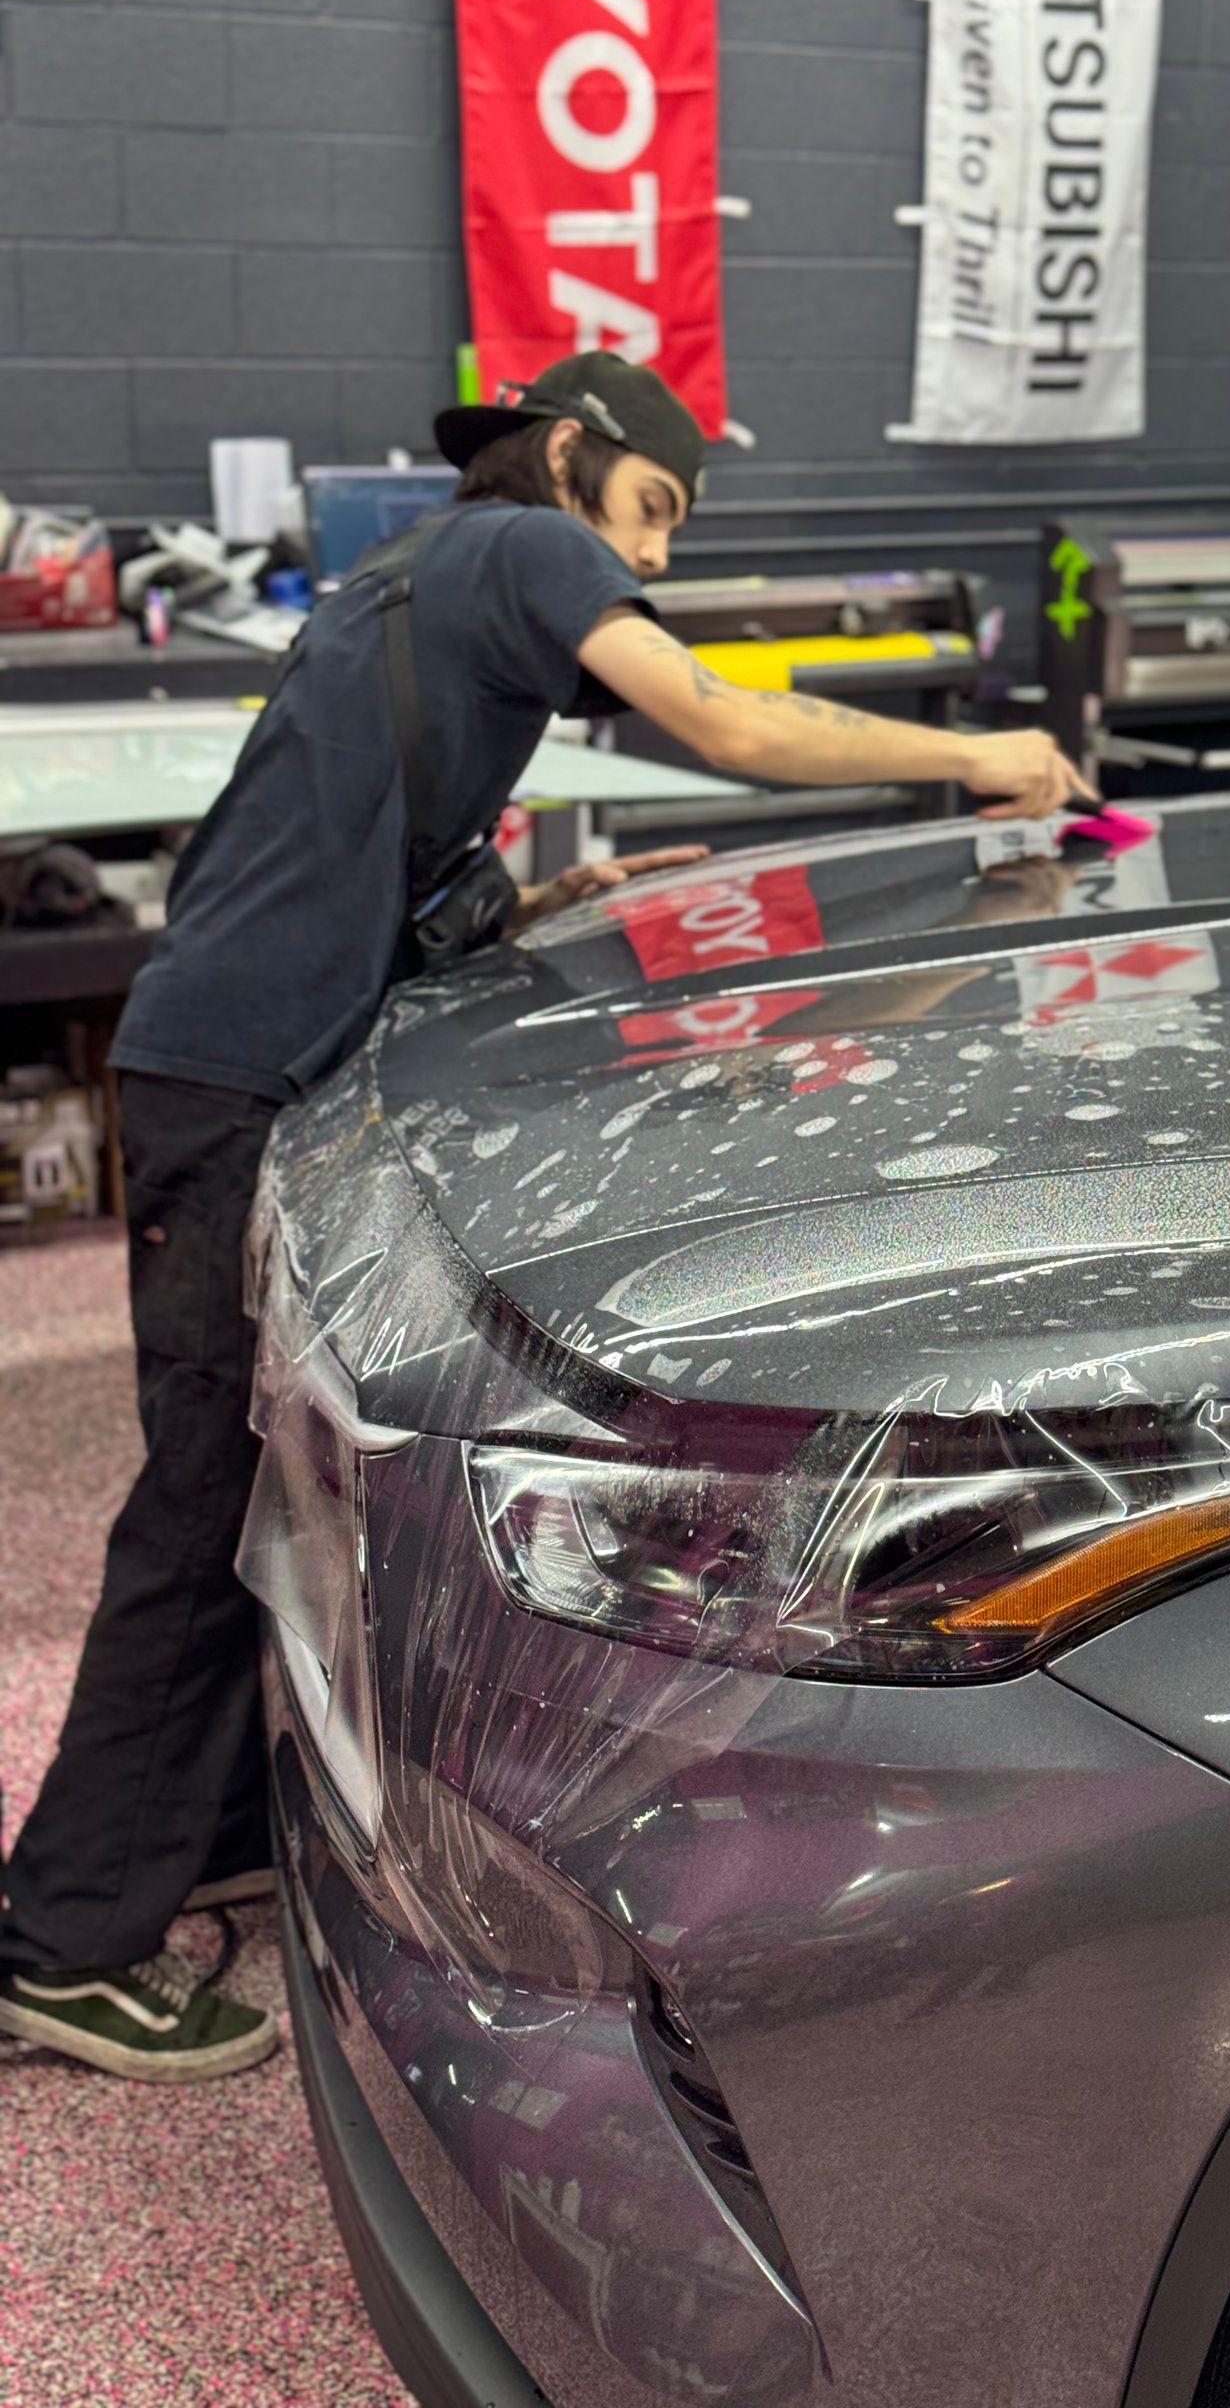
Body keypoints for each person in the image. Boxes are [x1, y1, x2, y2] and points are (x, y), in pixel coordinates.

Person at [0, 351, 1096, 2082]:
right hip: (232, 1070)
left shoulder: (422, 572)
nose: (649, 560)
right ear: (577, 458)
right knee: (200, 1496)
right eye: (652, 511)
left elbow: (363, 809)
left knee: (255, 1479)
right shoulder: (519, 544)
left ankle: (187, 1833)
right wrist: (984, 759)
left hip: (227, 1047)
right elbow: (730, 725)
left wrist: (520, 896)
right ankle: (57, 1947)